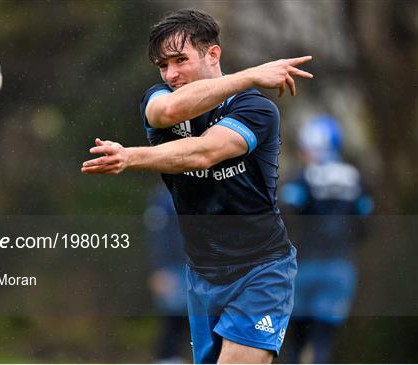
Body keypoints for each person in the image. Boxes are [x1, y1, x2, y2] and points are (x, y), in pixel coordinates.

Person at [82, 9, 313, 363]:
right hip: (203, 275)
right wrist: (250, 74)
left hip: (261, 269)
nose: (171, 74)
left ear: (213, 54)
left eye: (180, 60)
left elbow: (205, 153)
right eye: (163, 65)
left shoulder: (256, 109)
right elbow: (170, 112)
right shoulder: (158, 98)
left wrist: (130, 157)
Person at [279, 115, 373, 363]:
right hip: (339, 266)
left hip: (305, 265)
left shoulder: (305, 176)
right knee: (323, 340)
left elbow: (288, 211)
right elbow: (365, 218)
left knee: (295, 341)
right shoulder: (354, 176)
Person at [144, 185, 189, 363]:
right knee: (174, 323)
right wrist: (160, 269)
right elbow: (157, 237)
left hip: (202, 270)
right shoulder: (164, 199)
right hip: (174, 270)